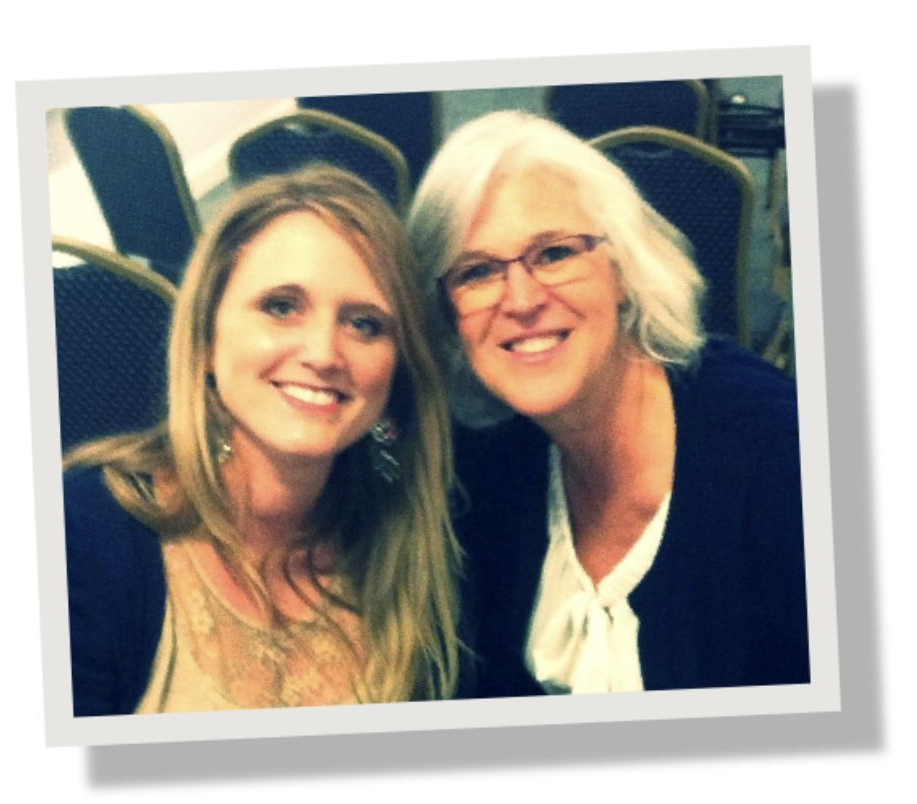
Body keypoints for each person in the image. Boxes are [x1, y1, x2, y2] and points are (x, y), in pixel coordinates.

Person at [407, 111, 809, 697]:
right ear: (446, 312)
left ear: (623, 270)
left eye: (553, 254)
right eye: (477, 271)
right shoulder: (491, 460)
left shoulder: (781, 457)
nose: (520, 299)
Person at [64, 165, 462, 715]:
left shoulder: (412, 540)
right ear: (205, 338)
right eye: (281, 306)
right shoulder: (82, 535)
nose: (323, 352)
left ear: (397, 373)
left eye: (365, 324)